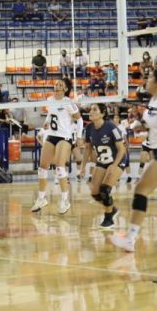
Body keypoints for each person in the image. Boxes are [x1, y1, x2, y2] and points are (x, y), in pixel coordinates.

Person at [30, 78, 81, 215]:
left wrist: (80, 136)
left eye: (60, 85)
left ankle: (65, 200)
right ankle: (41, 198)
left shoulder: (68, 102)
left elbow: (79, 119)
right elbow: (50, 114)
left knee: (59, 166)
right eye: (56, 84)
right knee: (42, 168)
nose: (57, 86)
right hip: (52, 135)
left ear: (65, 89)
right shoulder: (50, 100)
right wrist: (46, 123)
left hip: (65, 136)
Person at [82, 104, 126, 228]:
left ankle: (108, 219)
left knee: (105, 190)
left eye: (94, 109)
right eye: (90, 109)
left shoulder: (111, 127)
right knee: (95, 193)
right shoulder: (89, 128)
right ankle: (112, 208)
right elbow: (87, 149)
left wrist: (114, 165)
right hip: (102, 161)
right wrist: (82, 167)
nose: (91, 111)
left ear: (102, 114)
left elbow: (122, 149)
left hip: (118, 159)